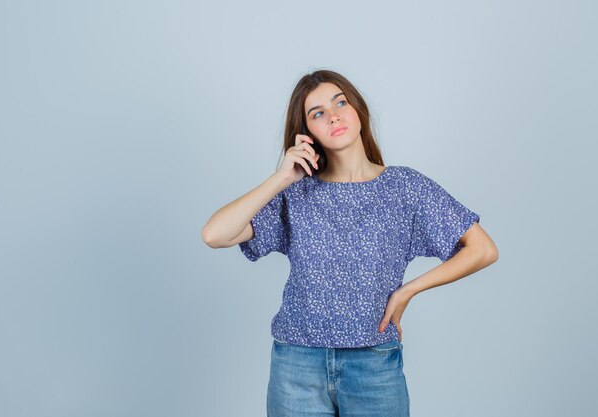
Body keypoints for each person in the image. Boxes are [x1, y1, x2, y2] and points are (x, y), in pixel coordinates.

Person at [202, 69, 499, 417]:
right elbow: (214, 234)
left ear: (357, 110)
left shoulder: (404, 188)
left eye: (340, 102)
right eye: (317, 113)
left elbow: (483, 250)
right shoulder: (295, 193)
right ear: (306, 133)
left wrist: (406, 292)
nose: (333, 116)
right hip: (297, 363)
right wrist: (280, 177)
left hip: (373, 364)